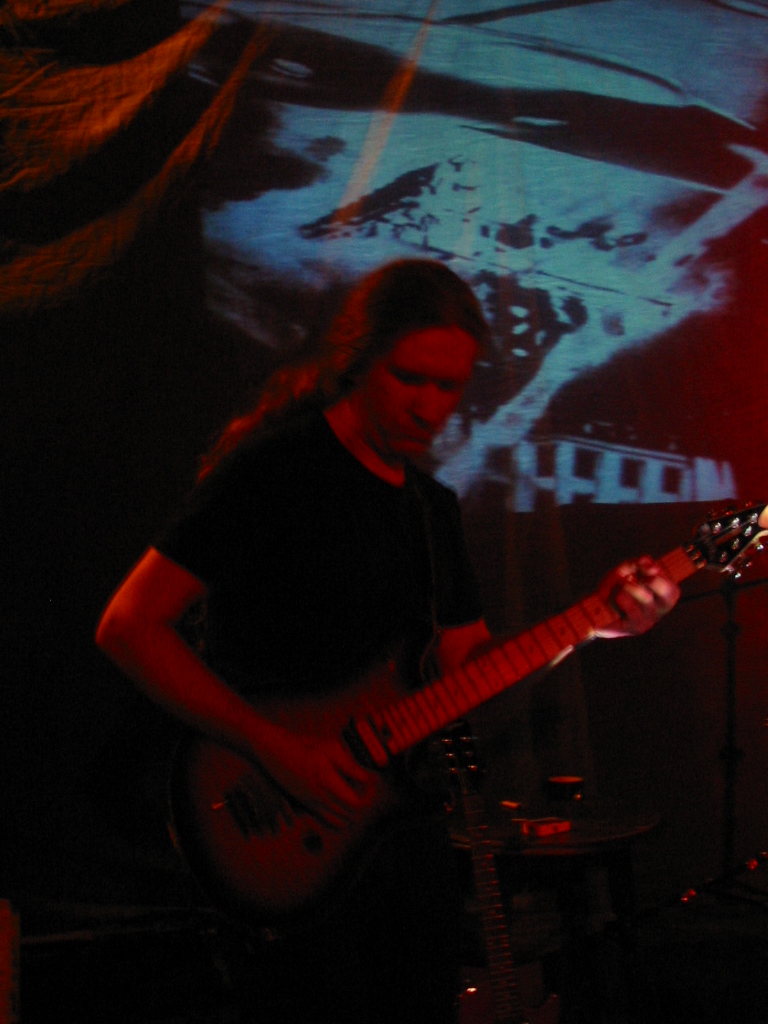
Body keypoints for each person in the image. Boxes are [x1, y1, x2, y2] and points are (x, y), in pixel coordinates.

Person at [95, 258, 679, 1024]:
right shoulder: (272, 471)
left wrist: (592, 622)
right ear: (359, 360)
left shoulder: (431, 508)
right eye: (410, 378)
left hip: (405, 839)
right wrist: (277, 748)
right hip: (277, 824)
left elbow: (466, 671)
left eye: (450, 386)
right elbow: (129, 625)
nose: (429, 406)